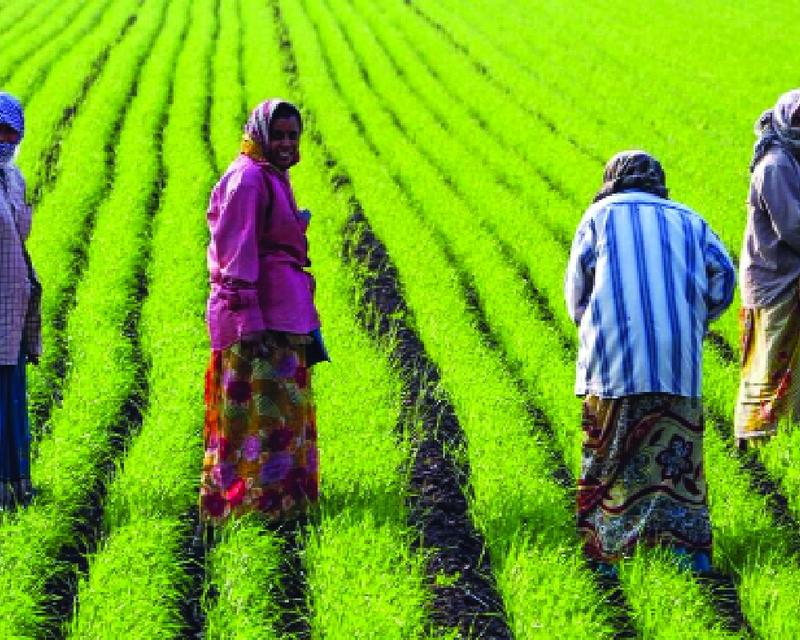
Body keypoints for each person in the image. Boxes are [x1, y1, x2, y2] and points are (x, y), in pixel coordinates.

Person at [565, 150, 735, 574]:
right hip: (677, 360)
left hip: (612, 361)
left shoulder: (598, 217)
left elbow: (576, 295)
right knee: (674, 458)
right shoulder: (689, 220)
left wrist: (595, 327)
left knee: (609, 455)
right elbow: (725, 277)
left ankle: (606, 554)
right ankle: (686, 554)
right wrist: (694, 319)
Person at [200, 99, 327, 525]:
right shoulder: (249, 180)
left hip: (283, 317)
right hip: (257, 324)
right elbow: (234, 257)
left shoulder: (271, 176)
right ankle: (246, 506)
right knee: (252, 417)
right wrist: (249, 322)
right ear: (259, 134)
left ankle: (280, 503)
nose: (287, 143)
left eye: (293, 135)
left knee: (281, 415)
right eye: (279, 135)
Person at [735, 89, 800, 450]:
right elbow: (793, 227)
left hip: (790, 276)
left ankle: (784, 433)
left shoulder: (795, 158)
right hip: (776, 280)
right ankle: (753, 435)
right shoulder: (776, 165)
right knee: (769, 359)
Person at [0, 92, 41, 510]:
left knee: (11, 401)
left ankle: (15, 491)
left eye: (10, 132)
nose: (4, 139)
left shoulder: (14, 178)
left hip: (12, 307)